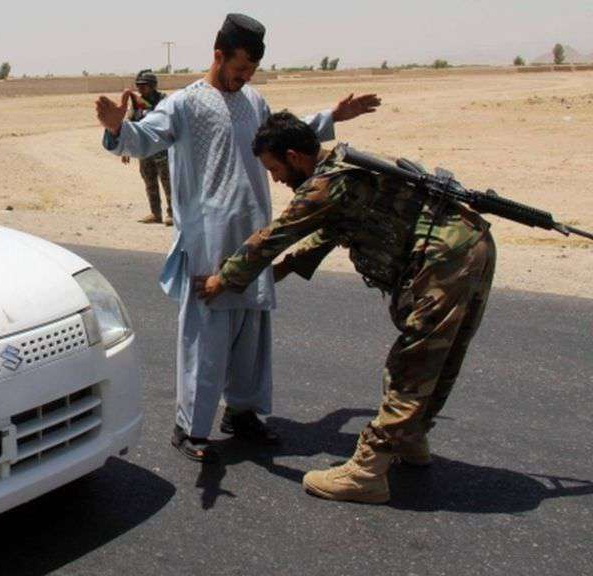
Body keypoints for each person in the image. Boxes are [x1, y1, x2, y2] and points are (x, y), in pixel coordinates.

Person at [95, 13, 381, 462]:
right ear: (219, 55)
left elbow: (284, 136)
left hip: (254, 236)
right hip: (207, 241)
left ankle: (242, 413)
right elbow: (143, 139)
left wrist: (333, 116)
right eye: (240, 67)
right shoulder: (185, 104)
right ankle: (190, 427)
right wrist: (118, 128)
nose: (245, 77)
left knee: (251, 331)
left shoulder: (253, 100)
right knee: (206, 335)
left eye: (251, 70)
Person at [196, 112, 496, 503]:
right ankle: (409, 436)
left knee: (414, 363)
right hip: (471, 244)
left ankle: (368, 470)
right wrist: (285, 269)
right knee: (442, 355)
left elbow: (274, 236)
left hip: (445, 260)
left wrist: (224, 279)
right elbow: (330, 231)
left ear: (294, 157)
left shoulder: (325, 184)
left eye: (275, 169)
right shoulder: (345, 167)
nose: (276, 179)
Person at [121, 69, 173, 226]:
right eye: (138, 85)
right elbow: (130, 123)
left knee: (168, 182)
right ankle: (155, 213)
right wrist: (126, 148)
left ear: (153, 86)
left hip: (162, 149)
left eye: (144, 85)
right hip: (144, 149)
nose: (140, 88)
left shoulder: (164, 101)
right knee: (149, 181)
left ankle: (172, 214)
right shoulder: (137, 102)